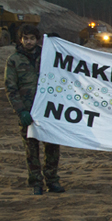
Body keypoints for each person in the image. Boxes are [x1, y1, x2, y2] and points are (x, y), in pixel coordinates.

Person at [5, 24, 65, 195]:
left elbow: (66, 65)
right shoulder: (14, 60)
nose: (29, 42)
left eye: (32, 38)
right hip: (27, 112)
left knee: (52, 148)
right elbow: (10, 88)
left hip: (48, 111)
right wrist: (20, 111)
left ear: (37, 39)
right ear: (20, 39)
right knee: (31, 150)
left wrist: (57, 41)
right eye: (26, 38)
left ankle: (52, 180)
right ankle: (36, 183)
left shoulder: (47, 56)